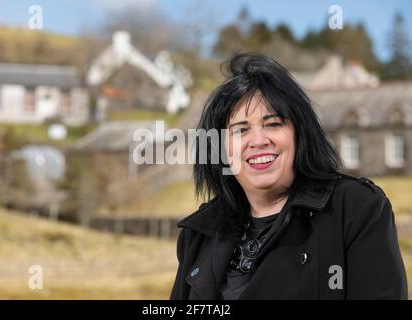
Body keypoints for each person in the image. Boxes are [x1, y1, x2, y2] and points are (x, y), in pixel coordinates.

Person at [170, 53, 408, 300]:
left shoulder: (355, 209)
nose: (259, 141)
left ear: (299, 133)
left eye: (273, 124)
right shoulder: (197, 234)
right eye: (240, 130)